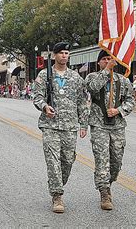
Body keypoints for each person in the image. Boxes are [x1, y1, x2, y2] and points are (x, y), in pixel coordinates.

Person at [33, 42, 88, 214]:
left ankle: (55, 183)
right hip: (50, 125)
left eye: (66, 53)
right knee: (53, 161)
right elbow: (37, 97)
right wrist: (44, 106)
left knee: (67, 161)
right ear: (55, 56)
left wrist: (83, 123)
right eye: (61, 53)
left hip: (70, 126)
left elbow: (82, 102)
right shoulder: (44, 75)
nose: (64, 55)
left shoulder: (75, 77)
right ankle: (57, 195)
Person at [85, 50, 133, 210]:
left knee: (116, 162)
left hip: (118, 126)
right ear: (99, 63)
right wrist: (106, 71)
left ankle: (109, 182)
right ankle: (104, 192)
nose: (107, 61)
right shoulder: (92, 77)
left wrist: (119, 110)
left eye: (110, 59)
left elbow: (130, 101)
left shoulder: (123, 81)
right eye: (104, 59)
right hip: (99, 125)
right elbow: (92, 88)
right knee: (102, 160)